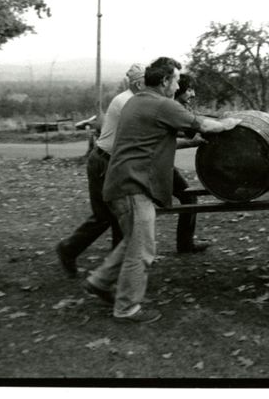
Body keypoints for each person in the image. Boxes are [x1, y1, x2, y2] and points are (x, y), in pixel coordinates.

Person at [82, 57, 240, 324]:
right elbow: (203, 124)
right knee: (143, 249)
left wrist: (189, 143)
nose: (178, 85)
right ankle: (127, 308)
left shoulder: (137, 101)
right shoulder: (161, 104)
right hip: (132, 187)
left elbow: (154, 140)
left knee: (133, 241)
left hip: (121, 184)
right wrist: (228, 124)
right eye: (177, 80)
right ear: (165, 81)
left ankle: (99, 281)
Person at [55, 63, 146, 278]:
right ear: (139, 83)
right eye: (148, 82)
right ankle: (68, 249)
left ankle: (118, 264)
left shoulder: (135, 99)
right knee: (105, 215)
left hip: (111, 161)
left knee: (117, 212)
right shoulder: (126, 101)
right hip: (104, 162)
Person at [172, 73, 209, 253]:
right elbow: (187, 133)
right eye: (189, 90)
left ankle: (185, 244)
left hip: (157, 163)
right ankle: (185, 244)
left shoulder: (177, 106)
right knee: (188, 197)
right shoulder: (173, 109)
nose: (193, 94)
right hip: (152, 164)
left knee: (188, 197)